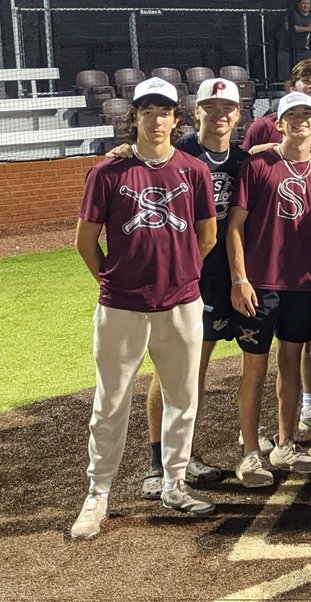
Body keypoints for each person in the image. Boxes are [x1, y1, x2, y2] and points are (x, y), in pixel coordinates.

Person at [71, 77, 218, 540]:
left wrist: (181, 275)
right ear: (134, 117)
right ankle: (98, 493)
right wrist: (113, 281)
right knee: (109, 402)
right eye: (147, 112)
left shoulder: (193, 170)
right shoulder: (107, 173)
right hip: (122, 307)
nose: (156, 120)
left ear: (177, 119)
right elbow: (85, 241)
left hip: (181, 303)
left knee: (183, 399)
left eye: (165, 112)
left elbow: (207, 235)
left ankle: (174, 482)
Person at [137, 78, 247, 500]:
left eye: (227, 108)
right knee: (175, 370)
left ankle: (183, 456)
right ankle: (158, 463)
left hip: (224, 275)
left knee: (197, 372)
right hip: (183, 277)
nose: (219, 115)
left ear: (238, 115)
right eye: (210, 107)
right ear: (196, 111)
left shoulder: (242, 160)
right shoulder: (176, 152)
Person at [228, 92, 311, 487]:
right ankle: (250, 452)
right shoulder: (258, 165)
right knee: (254, 368)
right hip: (259, 285)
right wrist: (240, 279)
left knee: (291, 363)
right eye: (292, 114)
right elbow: (235, 226)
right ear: (279, 123)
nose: (301, 120)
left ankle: (286, 443)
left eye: (307, 113)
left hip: (301, 285)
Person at [244, 59, 311, 161]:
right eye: (306, 81)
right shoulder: (264, 126)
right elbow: (243, 163)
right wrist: (257, 152)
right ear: (292, 88)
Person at [277, 0, 311, 83]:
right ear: (299, 4)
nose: (306, 6)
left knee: (308, 75)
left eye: (308, 3)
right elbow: (288, 27)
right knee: (287, 77)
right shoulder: (292, 14)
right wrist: (307, 29)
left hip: (304, 52)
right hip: (287, 51)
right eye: (304, 3)